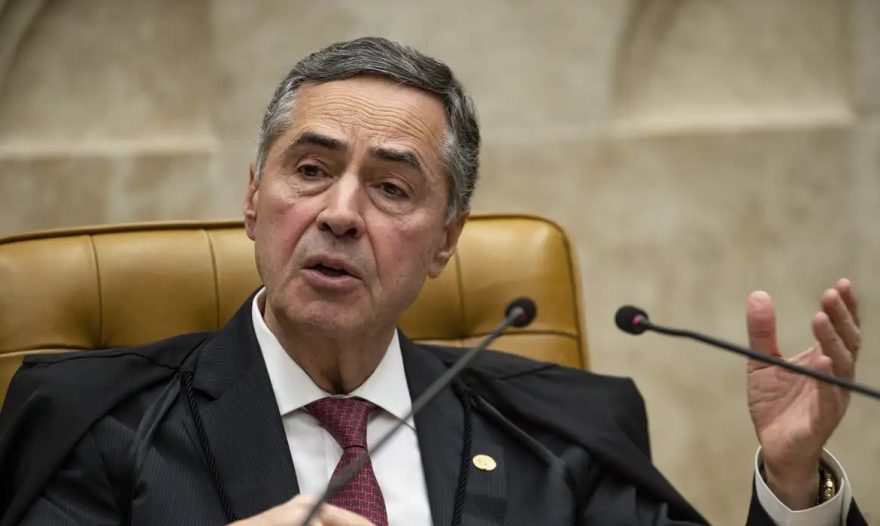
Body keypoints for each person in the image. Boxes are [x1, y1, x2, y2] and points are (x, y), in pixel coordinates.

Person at [0, 37, 866, 526]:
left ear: (446, 240)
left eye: (390, 188)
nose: (341, 213)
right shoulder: (97, 422)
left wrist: (792, 481)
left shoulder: (559, 434)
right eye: (311, 170)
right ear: (254, 198)